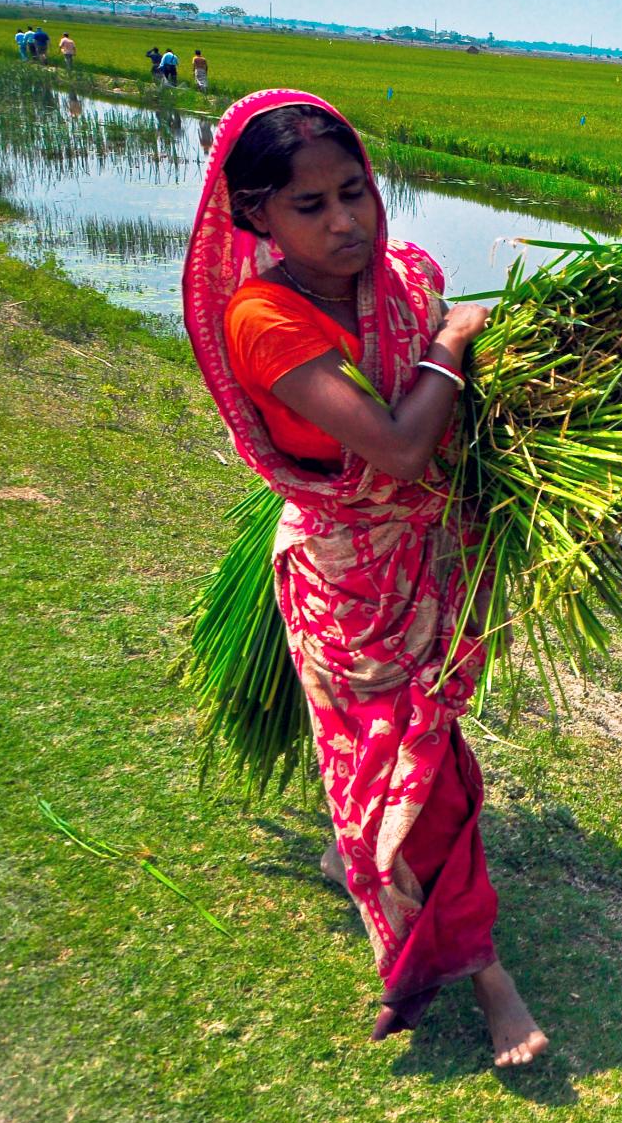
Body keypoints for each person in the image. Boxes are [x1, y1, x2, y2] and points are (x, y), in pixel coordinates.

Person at [182, 91, 547, 1068]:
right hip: (344, 578)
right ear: (254, 214)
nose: (345, 222)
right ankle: (483, 975)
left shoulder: (403, 277)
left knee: (421, 753)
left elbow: (442, 432)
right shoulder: (262, 318)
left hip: (429, 558)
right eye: (310, 207)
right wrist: (453, 343)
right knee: (413, 772)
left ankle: (395, 882)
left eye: (354, 193)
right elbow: (392, 446)